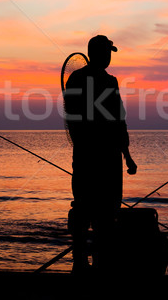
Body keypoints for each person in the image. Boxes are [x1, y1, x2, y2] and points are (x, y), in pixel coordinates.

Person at [64, 35, 137, 274]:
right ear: (97, 53)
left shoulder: (77, 79)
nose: (109, 56)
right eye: (107, 52)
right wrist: (126, 155)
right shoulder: (109, 81)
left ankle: (82, 261)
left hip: (91, 156)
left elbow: (74, 118)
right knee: (102, 211)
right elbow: (119, 122)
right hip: (105, 158)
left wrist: (127, 156)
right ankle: (94, 262)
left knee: (87, 209)